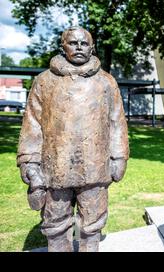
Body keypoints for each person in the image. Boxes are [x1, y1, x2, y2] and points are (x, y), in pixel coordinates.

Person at [17, 26, 129, 251]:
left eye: (84, 43)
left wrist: (119, 156)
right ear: (63, 46)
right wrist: (29, 162)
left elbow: (117, 122)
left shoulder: (106, 82)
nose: (79, 47)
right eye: (73, 43)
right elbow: (32, 124)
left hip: (95, 166)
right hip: (55, 166)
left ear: (92, 48)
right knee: (56, 224)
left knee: (92, 223)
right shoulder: (44, 81)